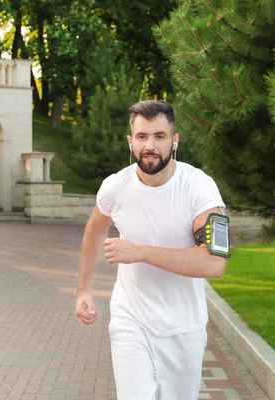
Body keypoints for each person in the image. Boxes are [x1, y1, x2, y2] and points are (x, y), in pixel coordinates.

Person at [75, 100, 228, 400]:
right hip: (131, 318)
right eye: (142, 137)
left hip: (185, 327)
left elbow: (214, 264)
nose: (150, 145)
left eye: (160, 136)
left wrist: (141, 252)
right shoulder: (114, 187)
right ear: (131, 142)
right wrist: (83, 290)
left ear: (174, 140)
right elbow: (95, 229)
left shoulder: (200, 188)